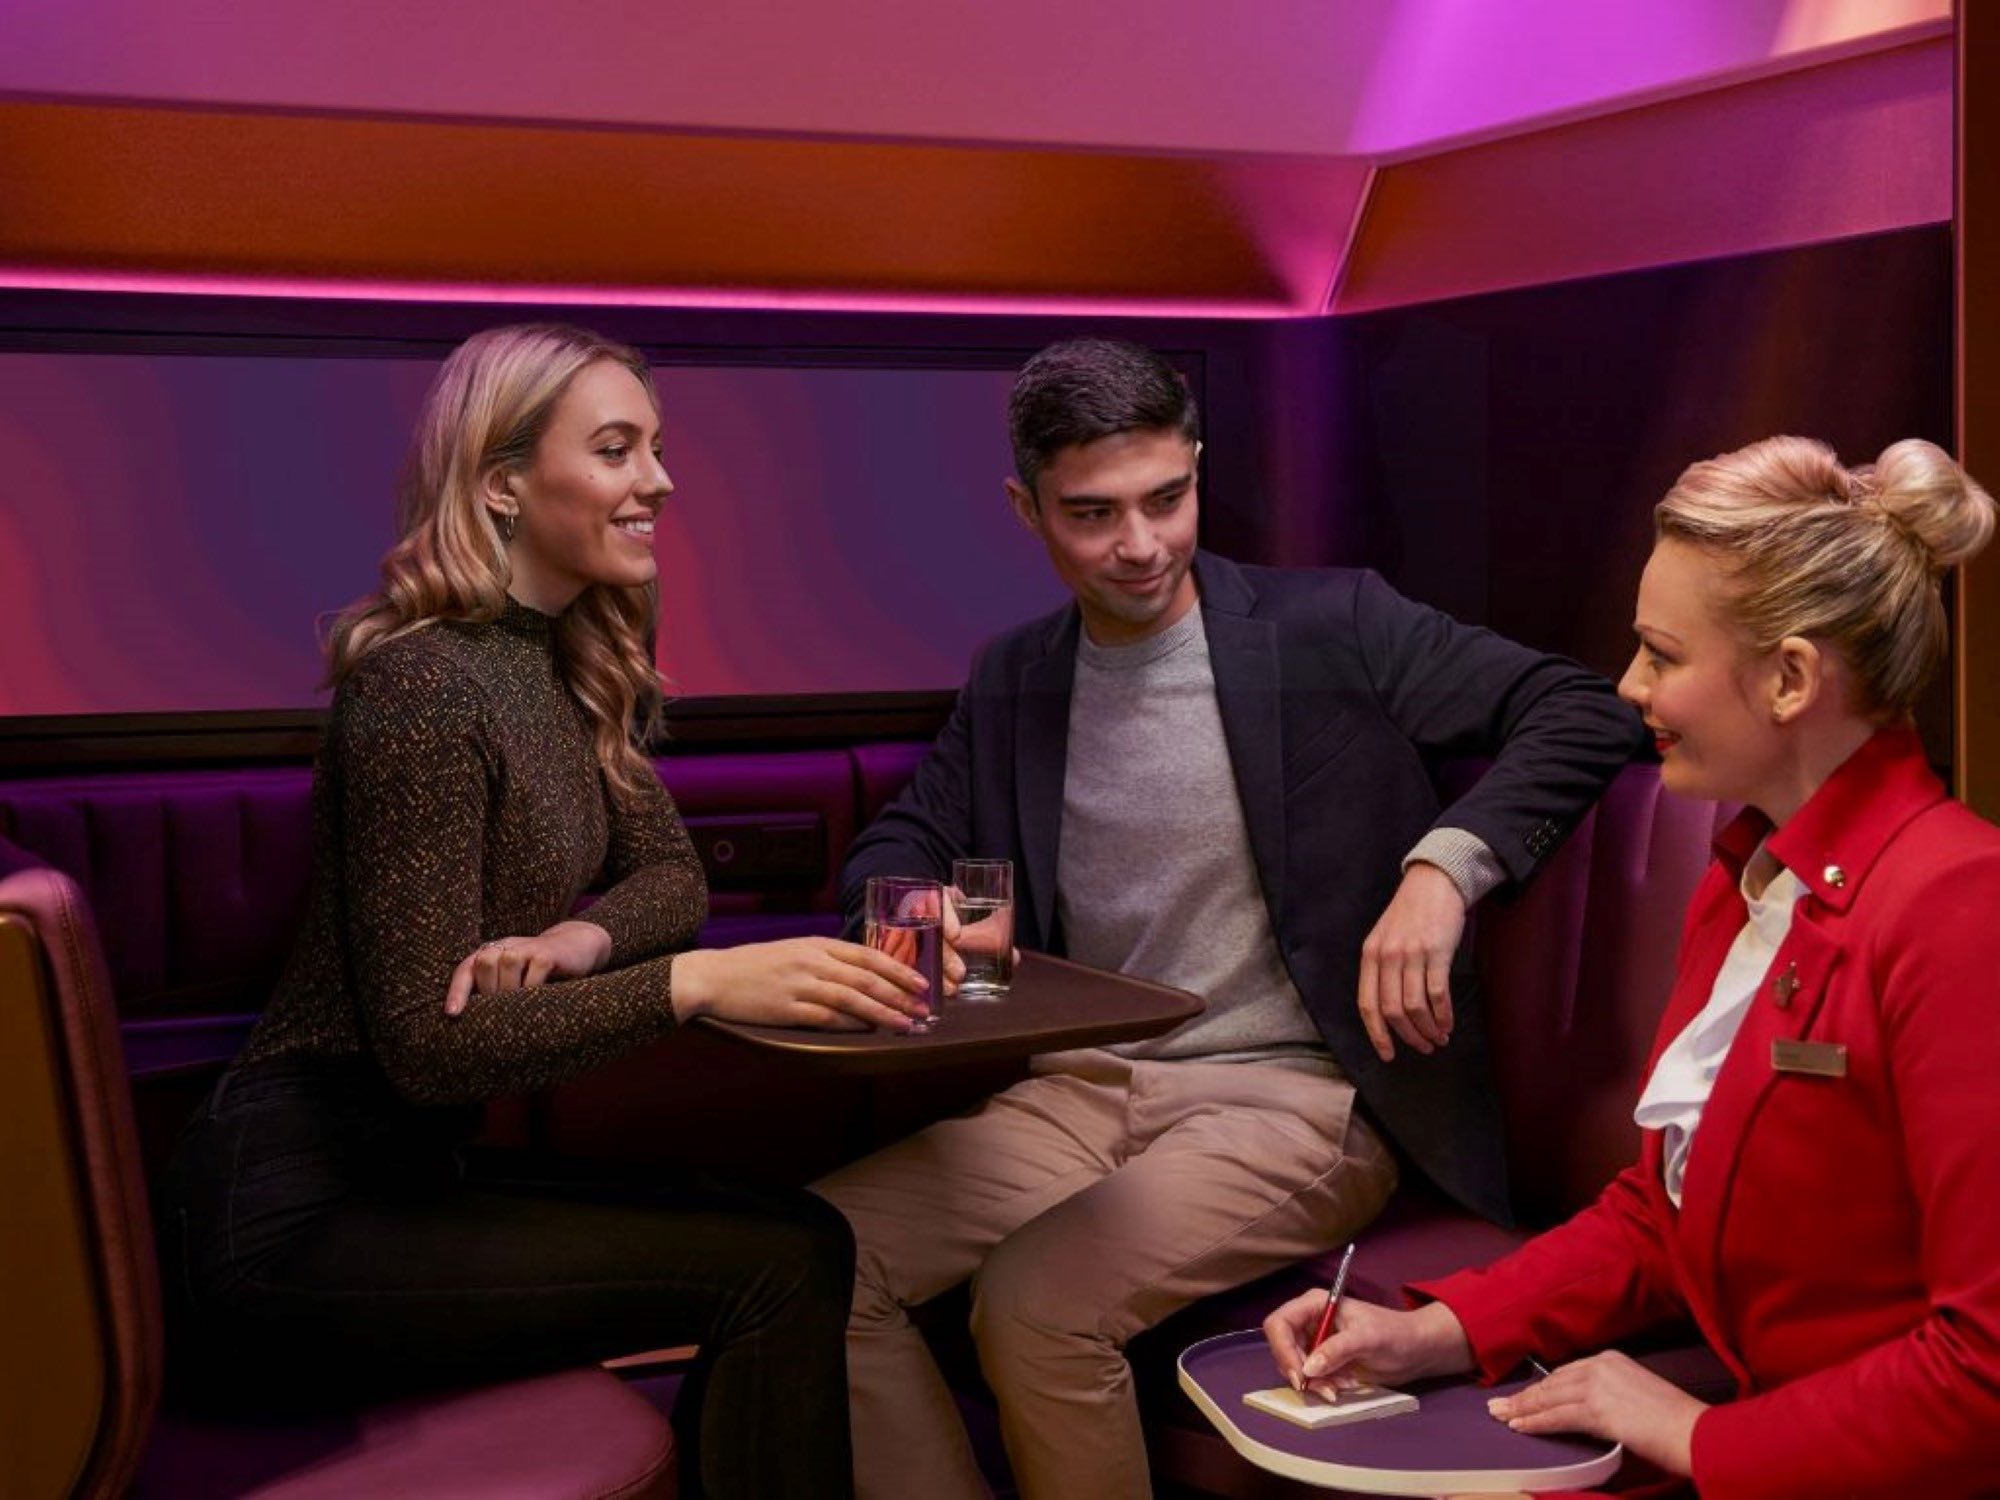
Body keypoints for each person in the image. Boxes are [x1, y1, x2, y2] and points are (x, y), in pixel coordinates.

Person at [812, 337, 1646, 1499]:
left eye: (1166, 498)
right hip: (1077, 1089)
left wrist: (1442, 869)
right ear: (1025, 508)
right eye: (1092, 514)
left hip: (1291, 1100)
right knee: (819, 1262)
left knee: (1035, 1306)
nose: (1140, 545)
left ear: (1197, 467)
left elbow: (1581, 711)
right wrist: (920, 919)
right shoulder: (1015, 678)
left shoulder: (1331, 627)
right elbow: (899, 841)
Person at [161, 323, 935, 1500]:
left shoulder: (569, 662)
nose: (659, 481)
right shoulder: (420, 685)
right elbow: (428, 1049)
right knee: (777, 1264)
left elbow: (671, 880)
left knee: (802, 1237)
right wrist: (696, 984)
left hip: (408, 1184)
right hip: (291, 1224)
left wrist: (581, 938)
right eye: (618, 450)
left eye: (655, 448)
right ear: (501, 483)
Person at [1263, 436, 2000, 1497]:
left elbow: (1982, 1370)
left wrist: (1696, 1438)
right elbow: (1667, 1214)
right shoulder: (1747, 870)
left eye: (1660, 654)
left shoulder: (1955, 903)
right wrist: (1434, 1330)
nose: (1628, 686)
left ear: (1789, 678)